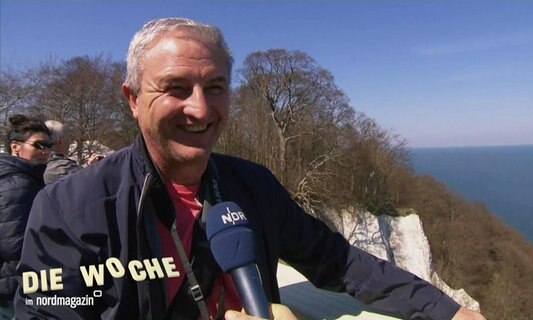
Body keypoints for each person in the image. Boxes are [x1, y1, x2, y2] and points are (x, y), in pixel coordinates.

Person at [15, 18, 485, 320]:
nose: (200, 109)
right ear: (132, 100)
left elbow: (341, 263)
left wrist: (444, 310)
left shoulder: (252, 185)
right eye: (175, 87)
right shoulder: (69, 209)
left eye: (215, 87)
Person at [0, 114, 52, 319]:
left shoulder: (24, 177)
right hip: (12, 290)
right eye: (39, 145)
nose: (46, 151)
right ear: (15, 146)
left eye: (49, 145)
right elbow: (16, 244)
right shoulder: (17, 183)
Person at [43, 120, 104, 185]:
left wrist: (88, 164)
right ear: (59, 141)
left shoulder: (43, 161)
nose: (69, 142)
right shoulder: (60, 167)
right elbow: (92, 181)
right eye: (67, 138)